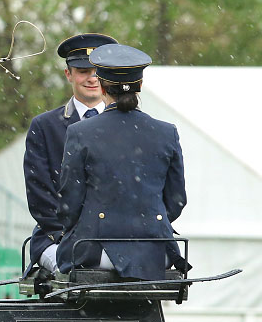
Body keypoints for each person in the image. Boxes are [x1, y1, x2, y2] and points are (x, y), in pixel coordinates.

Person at [56, 43, 188, 280]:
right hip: (156, 253)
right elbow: (177, 201)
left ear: (102, 85)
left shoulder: (80, 133)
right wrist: (144, 224)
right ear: (140, 85)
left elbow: (69, 204)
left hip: (96, 252)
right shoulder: (167, 132)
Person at [23, 33, 118, 274]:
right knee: (73, 273)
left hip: (117, 240)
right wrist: (68, 237)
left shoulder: (129, 125)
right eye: (83, 71)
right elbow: (40, 194)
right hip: (59, 238)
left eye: (99, 70)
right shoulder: (45, 127)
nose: (92, 78)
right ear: (69, 74)